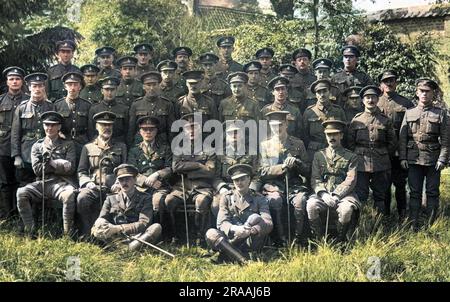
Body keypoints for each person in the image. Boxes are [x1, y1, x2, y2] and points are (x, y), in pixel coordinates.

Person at [399, 78, 448, 230]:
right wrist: (403, 157)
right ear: (417, 93)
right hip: (413, 159)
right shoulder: (409, 113)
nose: (424, 94)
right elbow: (402, 137)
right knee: (414, 192)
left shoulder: (441, 114)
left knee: (432, 192)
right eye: (421, 91)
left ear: (433, 93)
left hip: (433, 160)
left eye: (427, 91)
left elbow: (446, 139)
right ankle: (413, 224)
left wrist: (442, 158)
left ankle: (432, 224)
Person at [16, 111, 77, 235]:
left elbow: (71, 168)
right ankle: (30, 230)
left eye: (53, 125)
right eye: (47, 125)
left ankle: (67, 233)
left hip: (61, 183)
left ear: (59, 127)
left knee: (69, 195)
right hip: (43, 182)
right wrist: (58, 163)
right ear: (43, 126)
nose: (49, 128)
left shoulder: (68, 144)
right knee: (21, 192)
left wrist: (53, 164)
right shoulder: (37, 146)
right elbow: (37, 170)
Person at [259, 111, 310, 247]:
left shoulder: (298, 143)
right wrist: (282, 167)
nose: (277, 128)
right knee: (275, 201)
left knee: (300, 201)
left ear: (287, 124)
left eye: (280, 125)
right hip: (274, 185)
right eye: (274, 126)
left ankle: (298, 239)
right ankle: (280, 240)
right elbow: (262, 171)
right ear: (270, 126)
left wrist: (297, 163)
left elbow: (307, 170)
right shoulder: (265, 146)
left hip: (293, 184)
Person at [165, 113, 216, 245]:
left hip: (202, 187)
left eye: (195, 127)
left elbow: (210, 171)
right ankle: (175, 235)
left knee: (202, 201)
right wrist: (198, 165)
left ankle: (199, 236)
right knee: (169, 201)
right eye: (188, 128)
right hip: (182, 186)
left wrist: (188, 171)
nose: (192, 131)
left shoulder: (209, 147)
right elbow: (176, 167)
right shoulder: (178, 147)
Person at [205, 164, 273, 263]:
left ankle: (227, 253)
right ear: (233, 181)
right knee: (211, 233)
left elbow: (268, 223)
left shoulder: (259, 198)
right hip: (232, 237)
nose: (239, 183)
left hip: (250, 240)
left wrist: (251, 230)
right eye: (236, 180)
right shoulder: (226, 197)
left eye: (242, 179)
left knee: (255, 217)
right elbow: (221, 223)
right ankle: (243, 260)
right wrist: (235, 228)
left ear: (249, 179)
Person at [306, 120, 360, 242]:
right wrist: (323, 194)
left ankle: (340, 241)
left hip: (344, 195)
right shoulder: (319, 155)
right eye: (329, 135)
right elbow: (315, 178)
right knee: (311, 206)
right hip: (323, 193)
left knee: (346, 210)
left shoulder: (351, 156)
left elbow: (350, 180)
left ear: (341, 135)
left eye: (335, 134)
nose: (332, 137)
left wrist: (336, 195)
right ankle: (319, 240)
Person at [77, 111, 127, 237]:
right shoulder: (88, 147)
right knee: (82, 198)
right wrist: (87, 183)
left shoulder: (121, 146)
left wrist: (119, 184)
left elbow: (125, 170)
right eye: (103, 125)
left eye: (109, 125)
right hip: (94, 186)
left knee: (121, 202)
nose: (106, 128)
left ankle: (117, 235)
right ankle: (87, 233)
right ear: (96, 127)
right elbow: (81, 171)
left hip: (114, 187)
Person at [347, 85, 397, 215]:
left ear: (377, 100)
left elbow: (392, 142)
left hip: (381, 162)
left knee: (380, 195)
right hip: (361, 163)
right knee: (361, 194)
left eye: (373, 97)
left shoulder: (385, 120)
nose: (370, 100)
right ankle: (361, 222)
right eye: (367, 98)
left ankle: (380, 222)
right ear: (363, 101)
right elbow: (350, 142)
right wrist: (358, 154)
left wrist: (384, 154)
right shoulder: (356, 120)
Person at [91, 164, 162, 251]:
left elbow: (144, 224)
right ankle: (126, 248)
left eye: (128, 179)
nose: (124, 183)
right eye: (121, 180)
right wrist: (102, 224)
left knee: (156, 227)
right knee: (98, 225)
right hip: (116, 237)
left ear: (135, 180)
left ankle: (127, 248)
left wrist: (118, 228)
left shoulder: (145, 198)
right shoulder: (111, 198)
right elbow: (102, 218)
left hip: (138, 236)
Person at [377, 70, 414, 219]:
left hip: (399, 150)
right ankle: (384, 215)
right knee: (383, 184)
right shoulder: (376, 102)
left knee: (400, 184)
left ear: (396, 83)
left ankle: (402, 213)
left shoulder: (406, 103)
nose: (389, 83)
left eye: (392, 80)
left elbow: (412, 128)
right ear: (381, 85)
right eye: (386, 81)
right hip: (382, 150)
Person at [127, 116, 173, 225]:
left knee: (157, 202)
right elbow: (131, 171)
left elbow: (170, 168)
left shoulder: (165, 148)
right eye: (145, 129)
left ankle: (159, 233)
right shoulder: (134, 150)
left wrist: (157, 174)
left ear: (156, 131)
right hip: (140, 187)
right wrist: (146, 181)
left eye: (151, 129)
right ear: (140, 132)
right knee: (133, 202)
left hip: (160, 186)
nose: (148, 132)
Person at [11, 73, 55, 186]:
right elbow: (15, 134)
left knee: (45, 186)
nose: (37, 89)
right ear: (29, 87)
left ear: (44, 87)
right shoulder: (21, 108)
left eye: (40, 86)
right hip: (26, 153)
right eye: (34, 86)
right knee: (24, 186)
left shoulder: (50, 107)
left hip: (45, 152)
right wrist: (17, 156)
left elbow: (55, 131)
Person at [0, 67, 28, 219]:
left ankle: (19, 215)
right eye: (11, 79)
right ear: (7, 82)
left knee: (20, 180)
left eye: (17, 79)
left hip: (22, 147)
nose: (15, 81)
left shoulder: (28, 100)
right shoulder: (1, 100)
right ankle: (6, 215)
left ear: (22, 81)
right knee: (5, 182)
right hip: (3, 146)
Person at [302, 79, 347, 162]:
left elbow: (344, 131)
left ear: (329, 92)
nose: (322, 95)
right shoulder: (309, 112)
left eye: (324, 91)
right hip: (314, 151)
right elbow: (304, 135)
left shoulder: (338, 111)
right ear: (315, 95)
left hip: (336, 150)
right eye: (319, 92)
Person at [128, 71, 175, 145]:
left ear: (159, 85)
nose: (152, 88)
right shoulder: (136, 104)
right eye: (148, 85)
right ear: (143, 86)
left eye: (154, 85)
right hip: (141, 143)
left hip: (162, 144)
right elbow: (131, 130)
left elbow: (171, 130)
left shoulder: (167, 104)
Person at [54, 71, 92, 162]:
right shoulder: (57, 105)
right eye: (70, 84)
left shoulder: (87, 105)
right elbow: (54, 125)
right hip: (64, 143)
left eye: (75, 85)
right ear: (65, 86)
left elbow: (91, 128)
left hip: (82, 142)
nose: (72, 88)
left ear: (80, 87)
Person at [88, 77, 129, 143]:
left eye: (112, 90)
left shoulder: (124, 109)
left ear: (116, 90)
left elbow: (127, 131)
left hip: (118, 144)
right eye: (107, 89)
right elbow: (91, 131)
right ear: (102, 91)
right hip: (99, 143)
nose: (110, 93)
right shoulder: (94, 109)